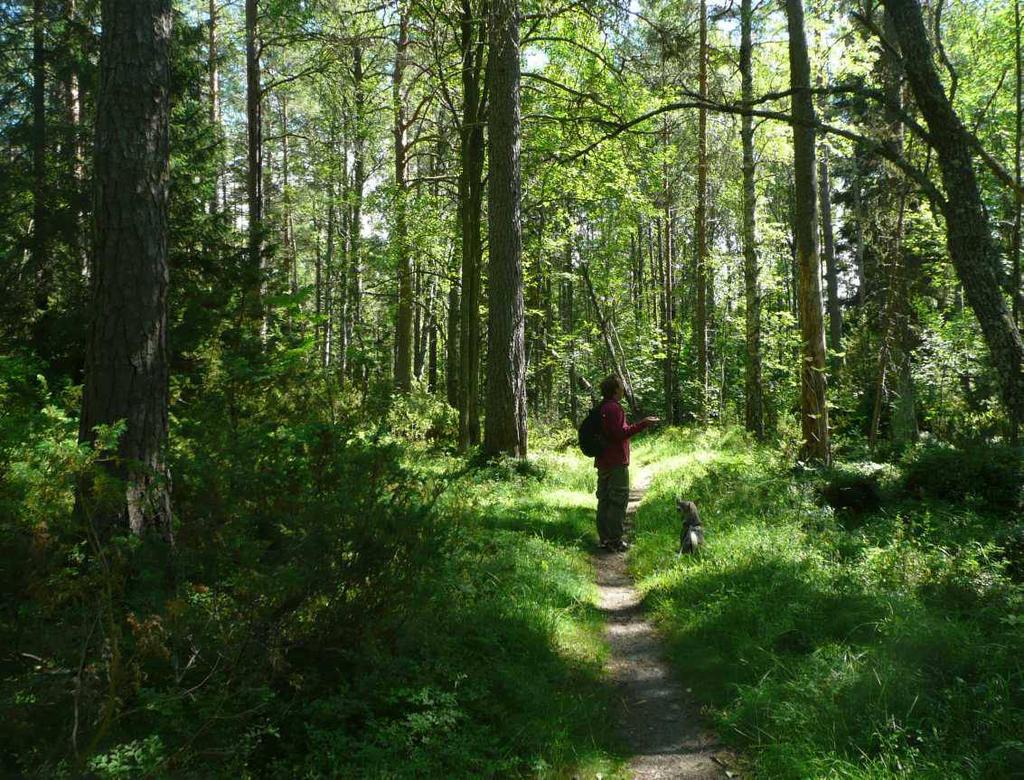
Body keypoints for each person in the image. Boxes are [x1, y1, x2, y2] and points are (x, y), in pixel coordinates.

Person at [594, 375, 659, 552]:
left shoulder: (601, 407)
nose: (623, 388)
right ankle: (614, 540)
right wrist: (643, 424)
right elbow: (619, 434)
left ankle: (604, 538)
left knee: (604, 499)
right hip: (616, 462)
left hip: (602, 460)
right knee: (617, 500)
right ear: (615, 390)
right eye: (621, 386)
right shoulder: (614, 408)